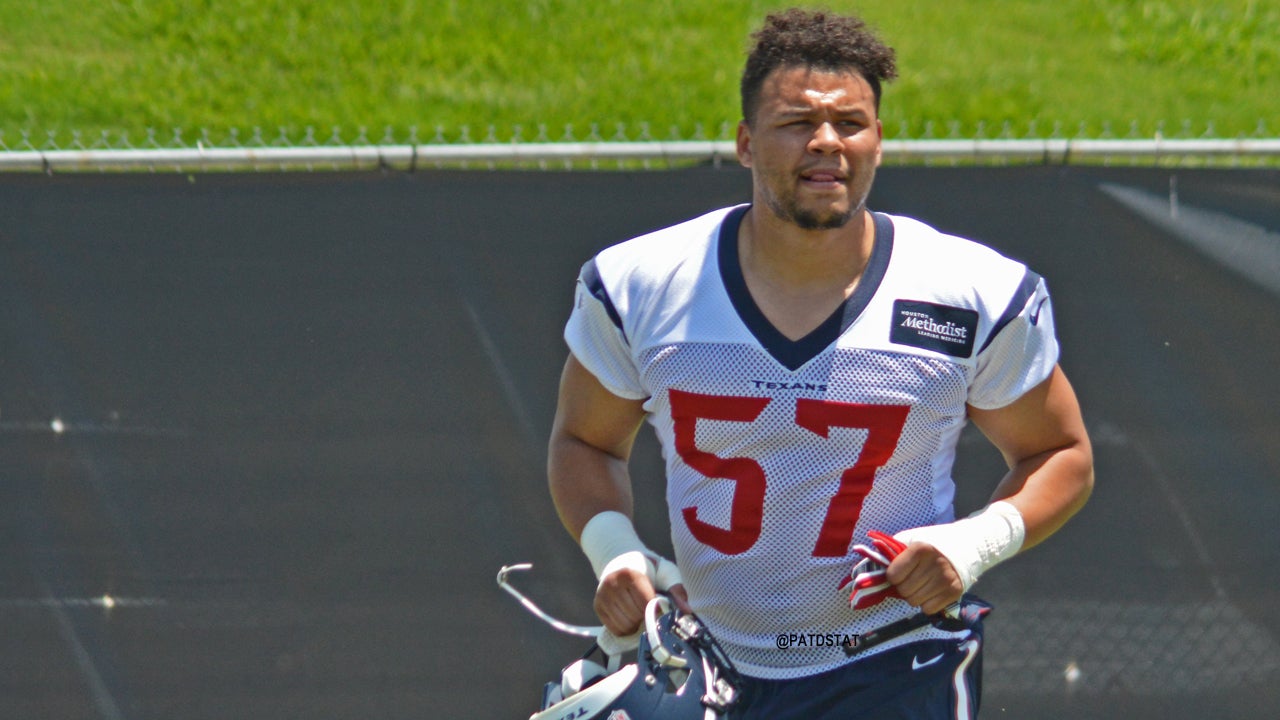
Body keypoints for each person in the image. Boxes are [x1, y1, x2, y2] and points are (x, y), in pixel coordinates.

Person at [547, 8, 1093, 718]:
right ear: (745, 143)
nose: (827, 142)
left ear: (880, 141)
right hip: (710, 664)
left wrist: (972, 544)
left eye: (850, 122)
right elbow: (584, 441)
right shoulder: (641, 285)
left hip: (893, 657)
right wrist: (615, 551)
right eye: (798, 122)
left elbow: (1061, 452)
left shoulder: (969, 294)